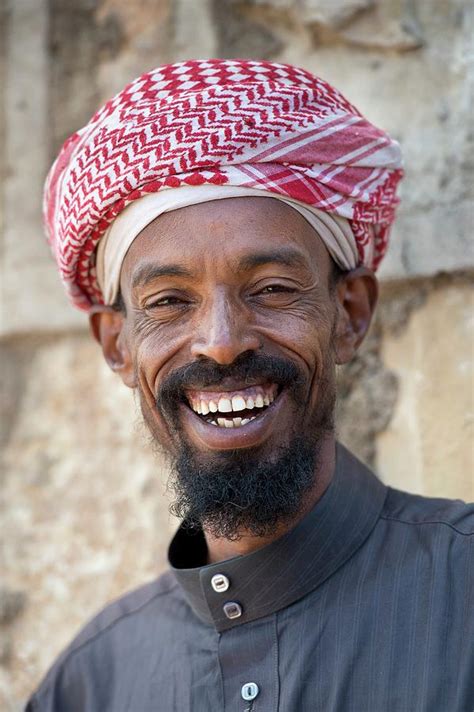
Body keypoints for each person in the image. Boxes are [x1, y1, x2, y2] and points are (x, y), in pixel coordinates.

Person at [27, 59, 472, 712]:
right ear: (117, 345)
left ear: (349, 315)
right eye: (170, 301)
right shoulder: (93, 684)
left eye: (272, 290)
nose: (223, 341)